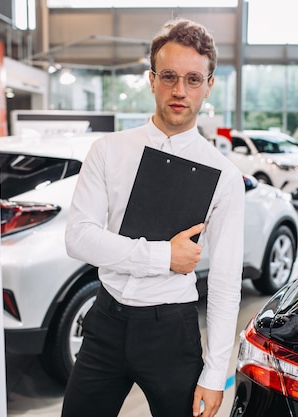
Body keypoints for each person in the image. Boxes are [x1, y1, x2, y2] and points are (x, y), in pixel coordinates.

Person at [61, 18, 244, 417]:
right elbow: (78, 237)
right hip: (105, 321)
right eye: (169, 76)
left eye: (193, 79)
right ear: (151, 79)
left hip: (172, 332)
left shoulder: (225, 176)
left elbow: (227, 282)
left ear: (209, 85)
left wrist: (215, 375)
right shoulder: (108, 150)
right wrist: (163, 256)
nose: (180, 90)